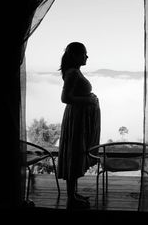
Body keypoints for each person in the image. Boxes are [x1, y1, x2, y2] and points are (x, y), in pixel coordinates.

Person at [57, 42, 100, 210]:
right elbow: (65, 98)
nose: (87, 56)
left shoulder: (75, 72)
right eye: (84, 53)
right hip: (76, 119)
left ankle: (73, 194)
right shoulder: (73, 73)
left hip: (79, 118)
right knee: (74, 154)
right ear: (75, 55)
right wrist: (89, 100)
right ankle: (70, 198)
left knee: (77, 152)